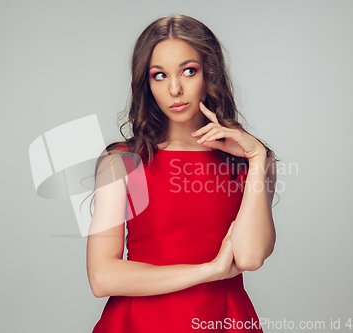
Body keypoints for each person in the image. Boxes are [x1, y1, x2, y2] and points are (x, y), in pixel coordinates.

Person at [86, 14, 278, 332]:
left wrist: (258, 157)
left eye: (189, 71)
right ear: (146, 84)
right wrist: (209, 271)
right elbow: (101, 277)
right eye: (159, 75)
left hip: (222, 321)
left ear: (209, 74)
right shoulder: (121, 162)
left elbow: (250, 257)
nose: (175, 88)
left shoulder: (249, 162)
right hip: (140, 323)